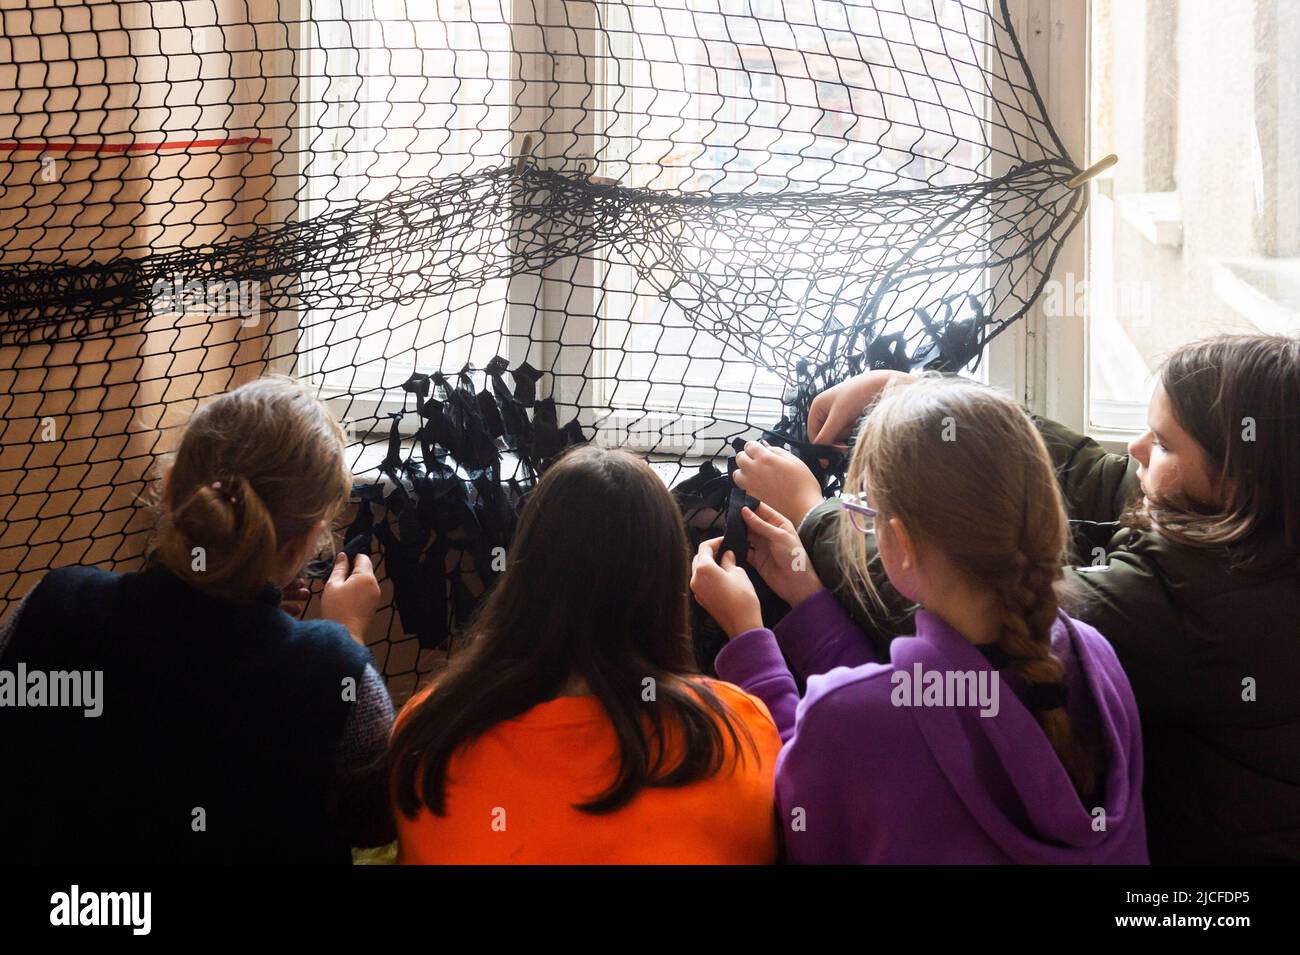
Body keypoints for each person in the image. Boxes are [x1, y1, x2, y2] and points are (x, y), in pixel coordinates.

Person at [737, 333, 1300, 864]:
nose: (1134, 447)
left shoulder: (1169, 608)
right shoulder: (1260, 527)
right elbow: (1097, 472)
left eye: (1164, 443)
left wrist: (814, 514)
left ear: (1241, 476)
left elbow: (965, 600)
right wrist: (915, 391)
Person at [692, 374, 1148, 863]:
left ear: (901, 544)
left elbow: (787, 815)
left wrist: (750, 641)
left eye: (863, 510)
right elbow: (905, 705)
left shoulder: (848, 717)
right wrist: (808, 603)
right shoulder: (1097, 661)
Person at [0, 376, 390, 862]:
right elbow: (373, 822)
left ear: (167, 490)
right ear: (306, 543)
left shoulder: (54, 604)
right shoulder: (333, 671)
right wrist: (345, 639)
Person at [389, 445, 781, 864]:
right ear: (667, 583)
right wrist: (750, 633)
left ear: (526, 571)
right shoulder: (739, 731)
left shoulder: (426, 733)